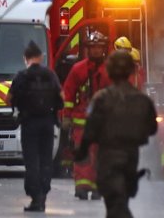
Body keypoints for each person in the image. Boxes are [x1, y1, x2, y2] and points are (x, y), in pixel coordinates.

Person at [74, 51, 158, 218]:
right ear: (131, 71)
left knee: (115, 204)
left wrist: (81, 151)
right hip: (132, 156)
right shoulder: (143, 100)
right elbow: (152, 128)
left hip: (108, 157)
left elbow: (90, 130)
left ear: (110, 71)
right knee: (121, 200)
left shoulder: (101, 99)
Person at [7, 41, 63, 212]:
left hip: (29, 123)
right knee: (46, 160)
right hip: (47, 123)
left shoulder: (21, 76)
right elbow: (62, 97)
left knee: (32, 161)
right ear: (41, 57)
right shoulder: (50, 75)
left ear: (26, 58)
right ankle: (43, 196)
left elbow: (8, 98)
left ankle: (35, 198)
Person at [62, 31, 110, 200]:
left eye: (99, 47)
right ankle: (82, 186)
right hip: (81, 120)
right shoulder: (78, 69)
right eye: (93, 47)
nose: (96, 50)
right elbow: (68, 94)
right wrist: (66, 116)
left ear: (103, 48)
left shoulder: (109, 70)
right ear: (88, 49)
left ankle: (98, 187)